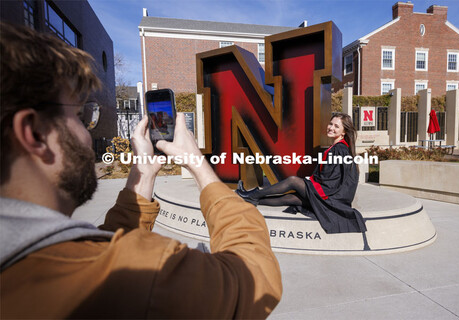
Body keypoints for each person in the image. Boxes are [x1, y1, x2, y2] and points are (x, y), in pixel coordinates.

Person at [0, 23, 281, 318]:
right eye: (80, 115)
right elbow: (254, 275)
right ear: (33, 133)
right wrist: (198, 163)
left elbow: (105, 240)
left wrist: (143, 171)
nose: (87, 132)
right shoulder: (143, 276)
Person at [236, 113, 367, 234]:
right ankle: (248, 200)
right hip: (330, 194)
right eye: (330, 124)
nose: (331, 127)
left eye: (336, 126)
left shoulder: (339, 150)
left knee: (293, 181)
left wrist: (311, 182)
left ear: (344, 132)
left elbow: (331, 179)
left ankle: (252, 193)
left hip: (329, 196)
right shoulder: (340, 148)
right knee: (294, 199)